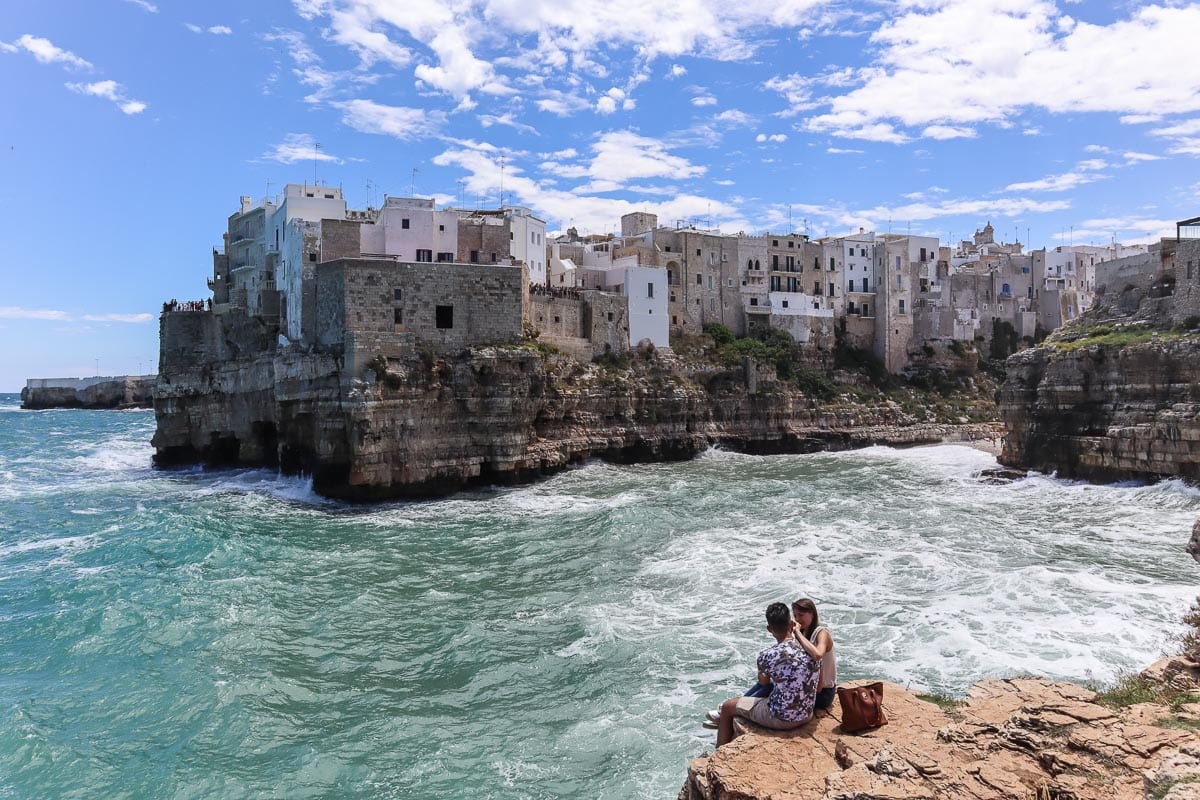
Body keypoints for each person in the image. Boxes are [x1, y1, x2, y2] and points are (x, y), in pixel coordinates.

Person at [712, 602, 819, 747]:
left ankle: (718, 753)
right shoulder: (810, 650)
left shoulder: (767, 655)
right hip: (807, 714)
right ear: (791, 623)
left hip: (781, 719)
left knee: (727, 707)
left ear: (770, 629)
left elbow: (763, 682)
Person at [790, 597, 837, 711]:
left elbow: (817, 654)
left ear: (812, 614)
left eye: (801, 615)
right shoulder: (803, 632)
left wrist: (797, 633)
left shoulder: (822, 632)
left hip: (823, 693)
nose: (797, 619)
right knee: (770, 686)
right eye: (795, 616)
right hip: (807, 687)